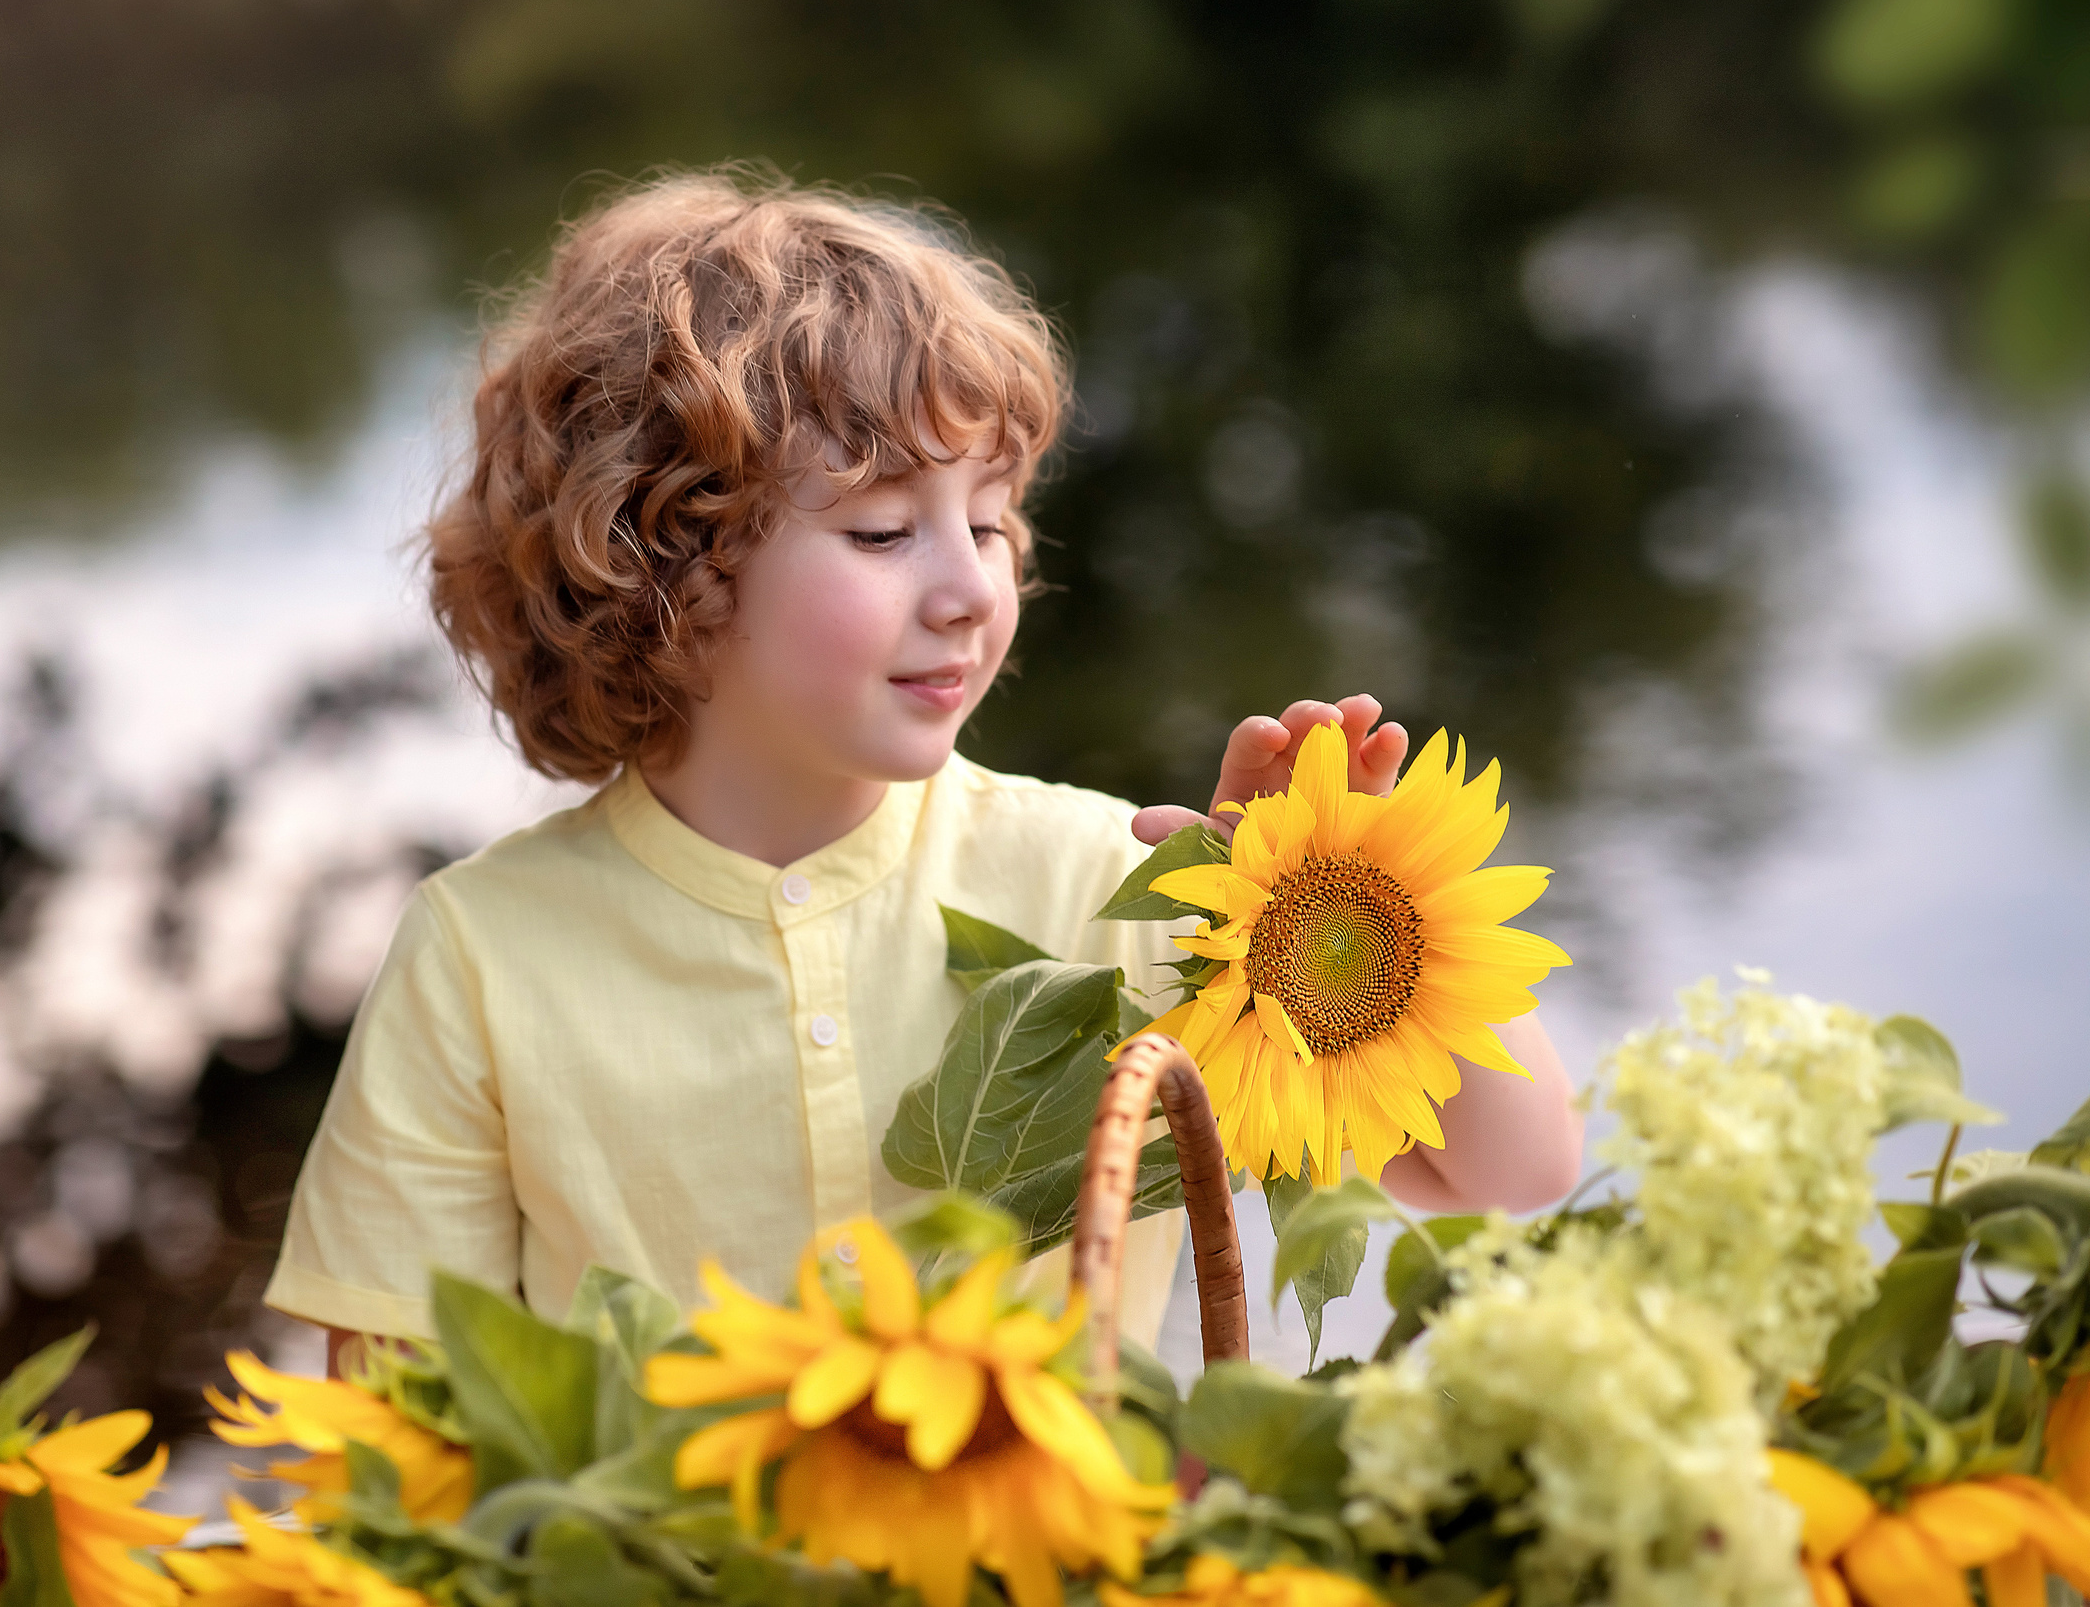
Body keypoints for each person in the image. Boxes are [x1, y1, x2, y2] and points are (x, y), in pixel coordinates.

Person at [265, 169, 1582, 1375]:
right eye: (886, 529)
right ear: (668, 570)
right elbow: (392, 1429)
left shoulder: (1116, 887)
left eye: (994, 521)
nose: (971, 588)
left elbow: (1514, 1172)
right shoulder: (482, 958)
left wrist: (1320, 895)